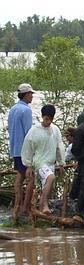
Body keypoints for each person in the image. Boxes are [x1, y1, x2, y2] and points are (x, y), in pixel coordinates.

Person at [20, 104, 65, 214]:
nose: (48, 122)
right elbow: (27, 148)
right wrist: (29, 165)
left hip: (50, 162)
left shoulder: (55, 130)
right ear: (42, 117)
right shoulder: (34, 130)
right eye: (46, 119)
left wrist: (61, 163)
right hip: (39, 162)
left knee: (48, 187)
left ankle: (41, 209)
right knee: (50, 177)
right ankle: (43, 204)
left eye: (51, 119)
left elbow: (59, 146)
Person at [7, 83, 35, 219]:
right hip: (24, 149)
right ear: (25, 95)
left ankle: (17, 204)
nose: (32, 96)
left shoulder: (13, 109)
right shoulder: (26, 110)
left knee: (20, 174)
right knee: (30, 177)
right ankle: (25, 207)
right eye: (31, 94)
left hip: (14, 147)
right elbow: (29, 133)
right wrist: (32, 150)